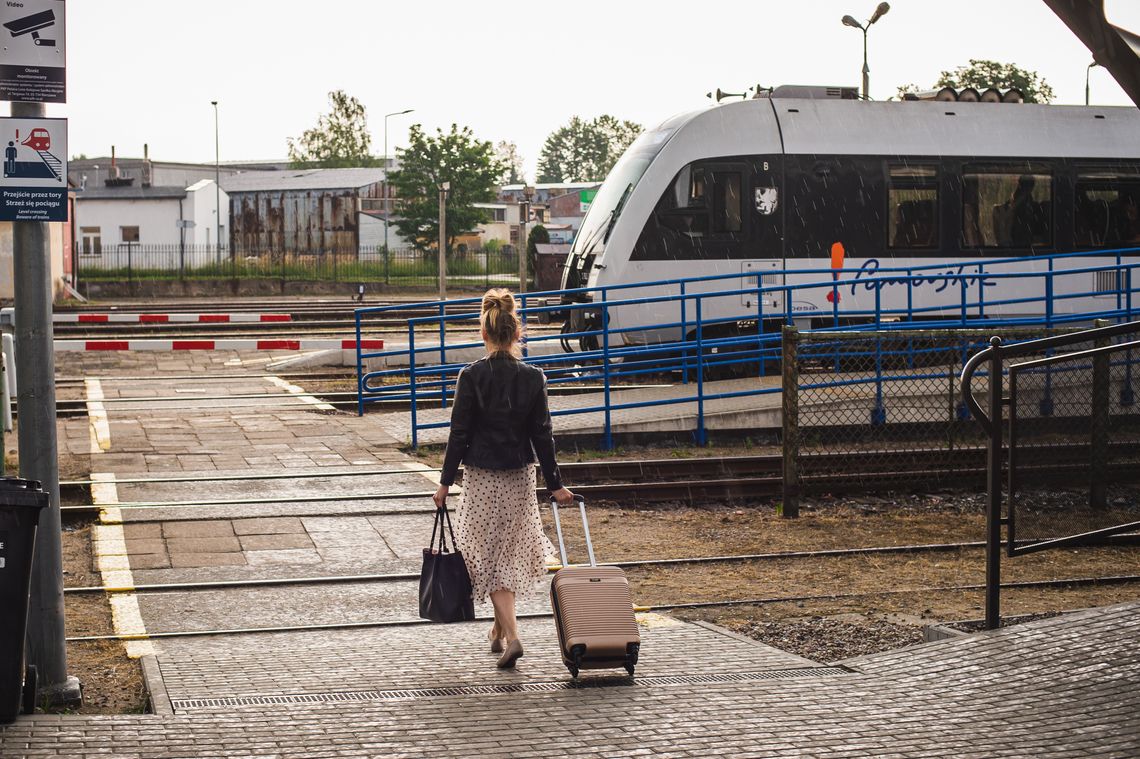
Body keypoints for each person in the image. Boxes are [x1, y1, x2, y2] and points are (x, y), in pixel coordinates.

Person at [433, 288, 574, 669]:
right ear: (517, 334)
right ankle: (498, 631)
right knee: (505, 553)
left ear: (485, 333)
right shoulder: (533, 377)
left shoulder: (471, 376)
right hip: (519, 479)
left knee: (486, 558)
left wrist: (445, 482)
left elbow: (458, 434)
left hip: (481, 479)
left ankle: (513, 636)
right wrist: (556, 484)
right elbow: (542, 435)